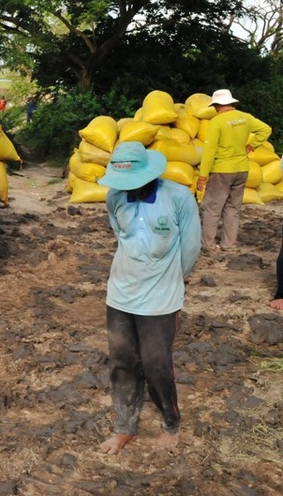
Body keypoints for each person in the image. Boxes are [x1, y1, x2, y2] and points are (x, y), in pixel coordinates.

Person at [96, 141, 201, 455]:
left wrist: (169, 279)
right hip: (120, 294)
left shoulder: (178, 197)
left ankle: (171, 422)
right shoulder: (114, 197)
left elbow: (191, 248)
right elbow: (121, 236)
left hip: (160, 299)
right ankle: (124, 428)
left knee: (156, 363)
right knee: (122, 362)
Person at [196, 89, 271, 252]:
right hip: (242, 169)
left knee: (212, 208)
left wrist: (202, 175)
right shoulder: (246, 117)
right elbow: (266, 129)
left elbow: (209, 150)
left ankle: (208, 245)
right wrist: (252, 145)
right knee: (233, 208)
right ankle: (228, 244)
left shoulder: (217, 121)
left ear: (216, 105)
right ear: (230, 102)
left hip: (222, 170)